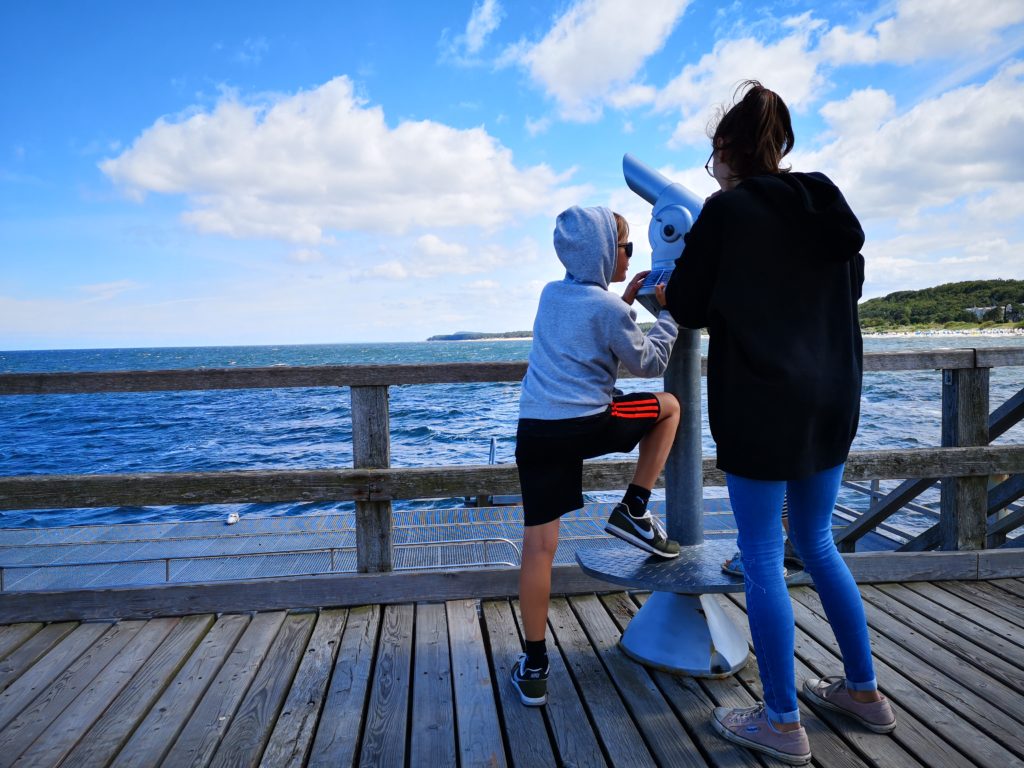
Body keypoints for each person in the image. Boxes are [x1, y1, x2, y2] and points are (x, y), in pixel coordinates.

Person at [665, 81, 895, 765]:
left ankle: (781, 720)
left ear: (727, 151)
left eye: (715, 158)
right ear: (782, 145)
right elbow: (846, 283)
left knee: (763, 554)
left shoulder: (726, 211)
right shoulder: (823, 200)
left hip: (763, 405)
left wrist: (663, 285)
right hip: (832, 400)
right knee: (817, 542)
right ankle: (864, 693)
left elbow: (690, 305)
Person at [511, 205, 680, 707]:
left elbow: (585, 327)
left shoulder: (551, 295)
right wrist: (667, 315)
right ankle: (633, 508)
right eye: (625, 248)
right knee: (670, 408)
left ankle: (535, 667)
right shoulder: (609, 311)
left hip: (536, 432)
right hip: (586, 426)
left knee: (539, 549)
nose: (630, 256)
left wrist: (623, 303)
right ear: (606, 251)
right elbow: (648, 363)